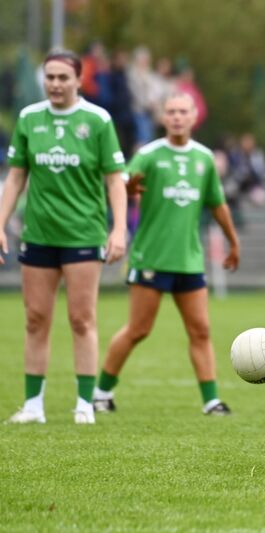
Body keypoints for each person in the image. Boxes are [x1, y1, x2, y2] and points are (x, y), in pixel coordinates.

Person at [92, 92, 240, 416]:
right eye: (170, 111)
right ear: (163, 117)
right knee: (138, 329)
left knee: (200, 330)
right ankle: (101, 392)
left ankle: (211, 400)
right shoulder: (148, 155)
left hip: (188, 259)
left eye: (182, 111)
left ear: (193, 116)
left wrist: (233, 242)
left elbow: (217, 204)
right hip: (151, 257)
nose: (176, 117)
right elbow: (120, 183)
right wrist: (128, 189)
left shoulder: (204, 159)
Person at [0, 49, 128, 425]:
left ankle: (84, 404)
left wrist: (118, 229)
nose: (55, 84)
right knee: (36, 319)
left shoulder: (98, 120)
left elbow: (115, 180)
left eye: (62, 78)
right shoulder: (28, 118)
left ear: (77, 80)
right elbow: (17, 176)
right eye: (50, 77)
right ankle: (33, 406)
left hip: (83, 235)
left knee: (81, 319)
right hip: (39, 234)